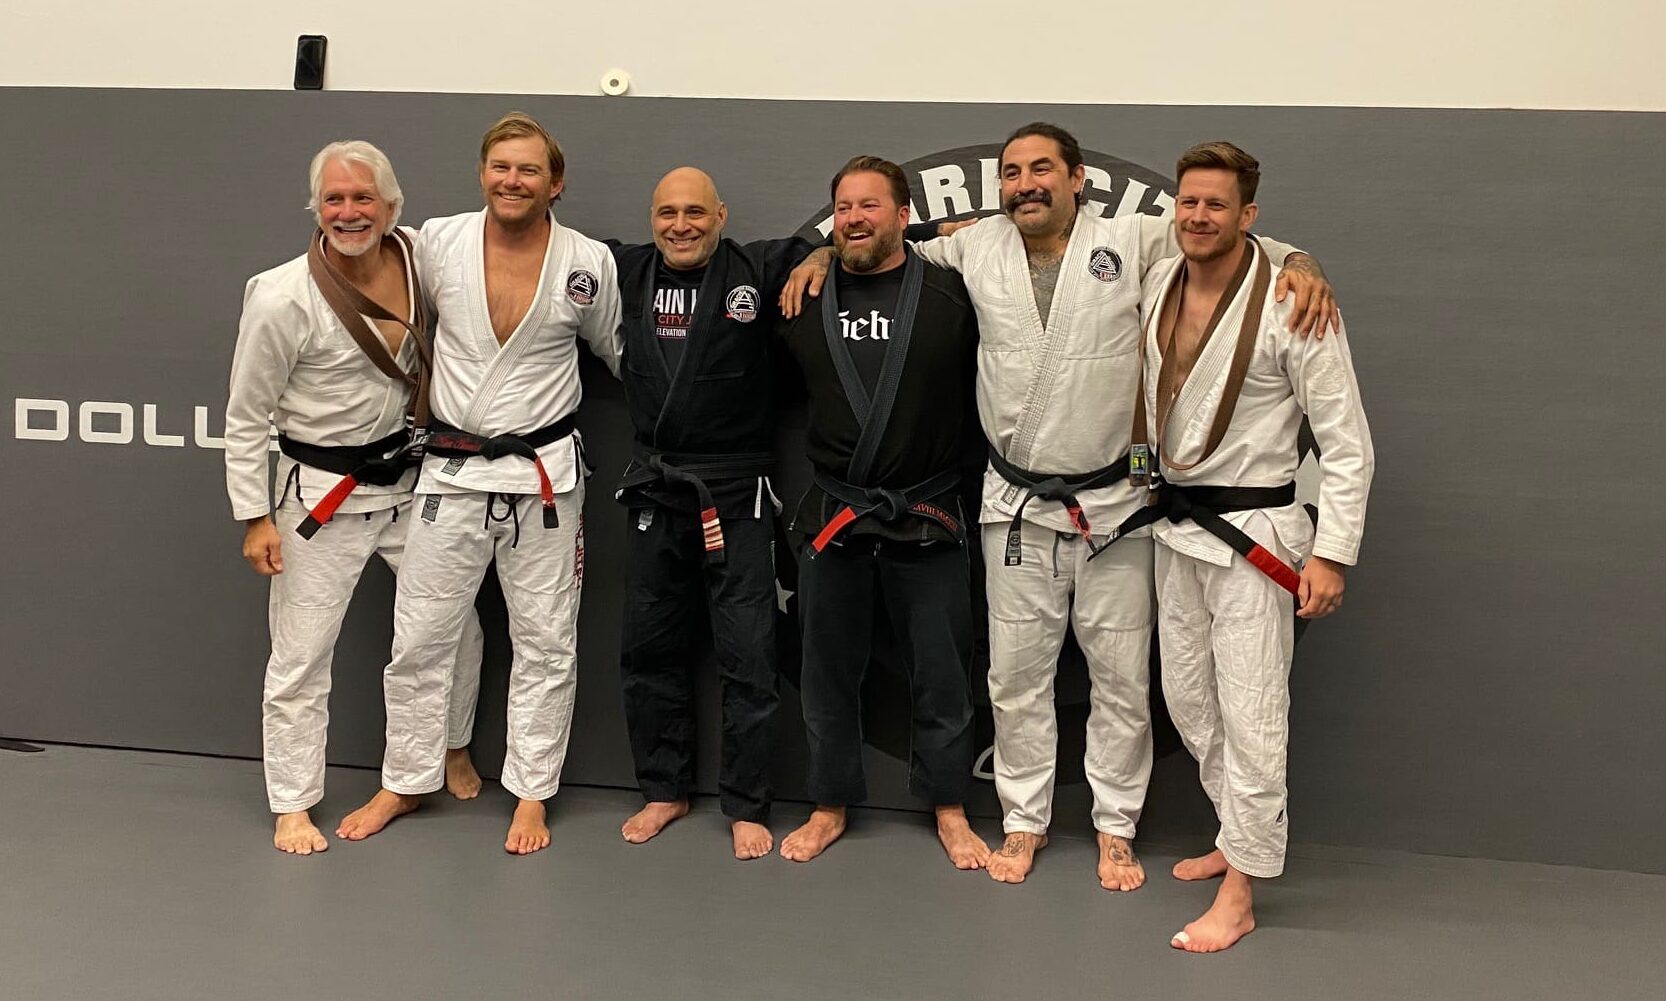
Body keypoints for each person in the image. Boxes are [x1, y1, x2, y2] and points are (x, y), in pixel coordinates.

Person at [783, 122, 1337, 889]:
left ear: (1080, 179)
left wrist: (1297, 259)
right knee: (1015, 677)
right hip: (1012, 501)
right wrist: (818, 252)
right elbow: (881, 252)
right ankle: (1024, 819)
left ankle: (1114, 825)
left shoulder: (1137, 239)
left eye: (1042, 169)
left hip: (1116, 505)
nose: (1024, 183)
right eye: (1011, 172)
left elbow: (1225, 241)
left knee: (1118, 677)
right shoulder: (975, 247)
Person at [337, 113, 622, 855]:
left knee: (546, 641)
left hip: (546, 477)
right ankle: (406, 776)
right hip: (452, 472)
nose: (512, 180)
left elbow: (621, 350)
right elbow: (377, 289)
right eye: (501, 166)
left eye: (529, 169)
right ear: (482, 173)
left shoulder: (586, 261)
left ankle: (530, 791)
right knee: (420, 637)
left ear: (554, 183)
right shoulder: (439, 242)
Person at [1137, 141, 1372, 952]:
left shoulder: (1293, 301)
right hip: (1177, 528)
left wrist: (1332, 554)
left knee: (1252, 712)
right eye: (1188, 201)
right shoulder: (1161, 275)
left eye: (1216, 205)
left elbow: (1346, 443)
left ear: (1249, 216)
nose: (1198, 216)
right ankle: (1235, 834)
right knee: (1189, 700)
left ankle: (1242, 890)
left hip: (1256, 538)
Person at [225, 140, 485, 856]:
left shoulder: (422, 262)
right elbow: (247, 417)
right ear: (316, 209)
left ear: (392, 207)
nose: (349, 212)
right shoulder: (280, 296)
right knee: (302, 654)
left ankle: (447, 748)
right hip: (320, 497)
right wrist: (254, 518)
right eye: (334, 199)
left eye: (363, 198)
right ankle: (293, 802)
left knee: (456, 628)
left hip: (410, 482)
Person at [774, 156, 990, 870]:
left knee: (943, 673)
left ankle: (950, 806)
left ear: (905, 216)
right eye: (843, 208)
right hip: (837, 511)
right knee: (826, 670)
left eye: (871, 205)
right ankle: (829, 803)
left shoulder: (953, 291)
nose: (855, 218)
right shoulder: (802, 293)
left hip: (926, 510)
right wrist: (813, 254)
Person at [609, 167, 816, 860]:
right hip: (655, 488)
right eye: (666, 211)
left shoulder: (756, 267)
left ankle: (746, 802)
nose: (680, 224)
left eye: (695, 211)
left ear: (720, 214)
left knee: (749, 653)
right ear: (651, 216)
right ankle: (663, 788)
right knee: (648, 648)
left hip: (737, 492)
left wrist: (818, 256)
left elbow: (849, 243)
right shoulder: (627, 272)